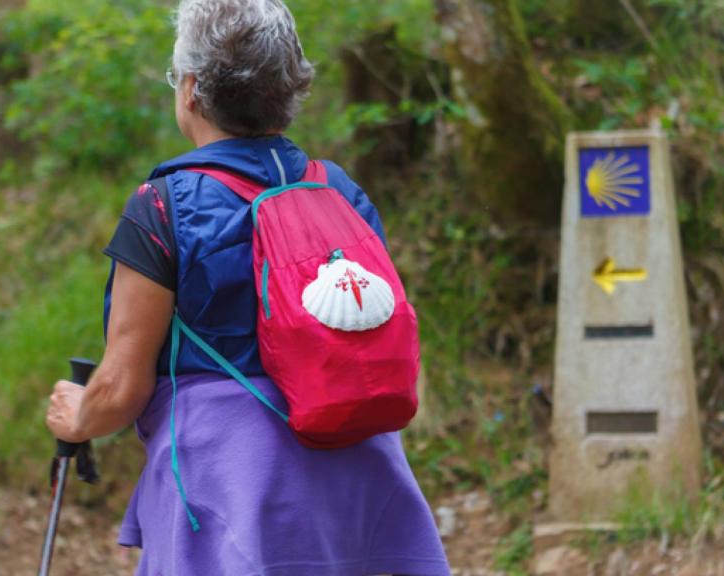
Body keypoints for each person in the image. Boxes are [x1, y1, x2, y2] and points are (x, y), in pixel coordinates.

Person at [45, 0, 451, 574]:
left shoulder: (162, 205)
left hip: (233, 481)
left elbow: (123, 386)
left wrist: (78, 415)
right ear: (290, 89)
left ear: (190, 90)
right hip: (364, 472)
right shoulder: (341, 194)